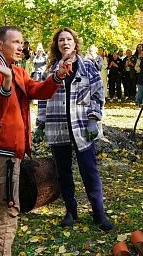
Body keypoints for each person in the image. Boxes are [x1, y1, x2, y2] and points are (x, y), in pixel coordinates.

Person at [0, 26, 69, 255]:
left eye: (22, 42)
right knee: (9, 208)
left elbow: (37, 90)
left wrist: (56, 76)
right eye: (15, 42)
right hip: (1, 150)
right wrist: (6, 85)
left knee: (1, 203)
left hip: (13, 149)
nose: (20, 47)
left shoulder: (15, 70)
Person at [36, 27, 114, 231]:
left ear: (75, 42)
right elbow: (43, 98)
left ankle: (99, 213)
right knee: (63, 172)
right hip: (57, 125)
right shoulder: (49, 69)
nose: (65, 43)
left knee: (89, 171)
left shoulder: (87, 66)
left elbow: (98, 95)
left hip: (81, 126)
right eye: (61, 40)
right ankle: (70, 211)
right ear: (56, 44)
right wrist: (41, 124)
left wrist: (93, 119)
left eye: (68, 39)